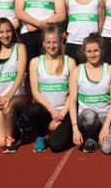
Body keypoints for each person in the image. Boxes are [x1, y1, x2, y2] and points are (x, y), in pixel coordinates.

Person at [27, 25, 77, 153]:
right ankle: (42, 134)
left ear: (60, 42)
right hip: (46, 111)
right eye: (48, 42)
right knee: (33, 110)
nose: (52, 46)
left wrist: (61, 115)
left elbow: (73, 94)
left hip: (63, 112)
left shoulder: (70, 62)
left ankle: (62, 130)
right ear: (43, 43)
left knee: (56, 146)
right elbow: (35, 92)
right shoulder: (35, 62)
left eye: (55, 42)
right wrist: (52, 111)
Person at [0, 18, 28, 153]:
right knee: (0, 143)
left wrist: (8, 96)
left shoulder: (19, 47)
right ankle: (16, 127)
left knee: (9, 108)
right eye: (1, 32)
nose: (5, 35)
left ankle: (12, 136)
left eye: (8, 31)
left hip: (16, 96)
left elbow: (20, 74)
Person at [70, 33, 111, 154]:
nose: (93, 54)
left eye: (96, 50)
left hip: (105, 117)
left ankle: (101, 133)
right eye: (89, 51)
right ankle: (90, 136)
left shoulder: (110, 69)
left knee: (107, 150)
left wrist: (106, 125)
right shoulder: (77, 71)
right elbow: (72, 100)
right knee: (90, 117)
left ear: (101, 50)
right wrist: (75, 128)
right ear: (84, 52)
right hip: (86, 118)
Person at [65, 0, 102, 64]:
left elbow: (101, 22)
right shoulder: (68, 0)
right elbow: (65, 22)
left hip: (91, 46)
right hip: (72, 44)